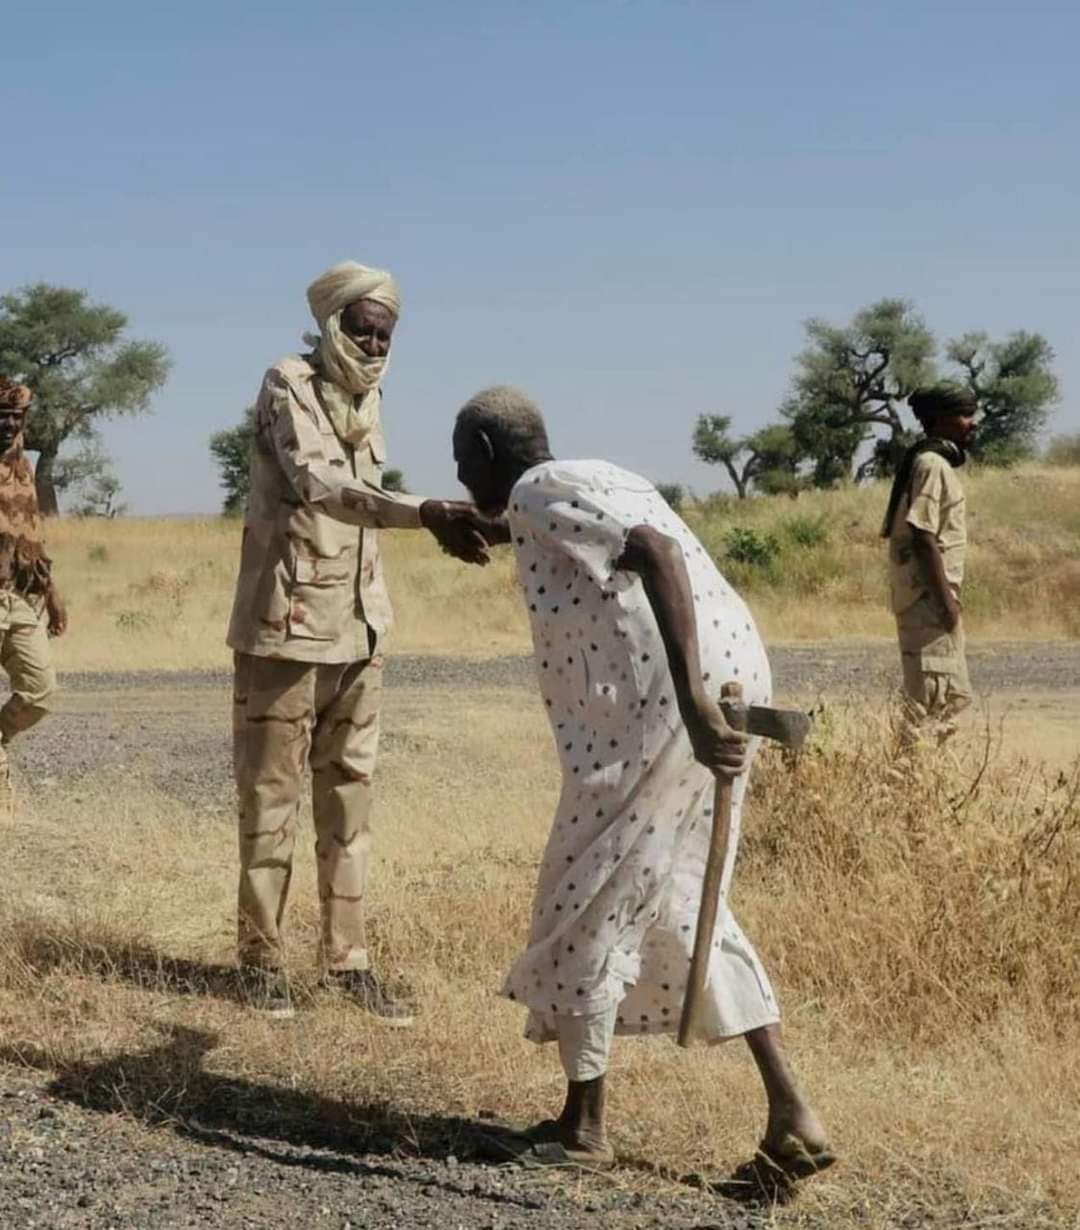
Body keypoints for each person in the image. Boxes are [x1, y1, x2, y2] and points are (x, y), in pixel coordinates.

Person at [452, 386, 833, 1183]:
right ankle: (791, 1112)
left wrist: (694, 702)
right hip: (720, 673)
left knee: (584, 890)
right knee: (681, 893)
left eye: (462, 463)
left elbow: (653, 552)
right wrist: (459, 523)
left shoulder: (536, 488)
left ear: (486, 453)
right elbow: (602, 540)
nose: (460, 478)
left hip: (663, 704)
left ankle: (581, 1129)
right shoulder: (591, 478)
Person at [226, 261, 489, 1022]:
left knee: (350, 803)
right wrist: (426, 513)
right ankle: (260, 961)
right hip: (286, 629)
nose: (373, 343)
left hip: (362, 630)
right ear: (330, 323)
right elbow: (317, 485)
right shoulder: (288, 383)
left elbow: (365, 500)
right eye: (361, 328)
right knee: (271, 799)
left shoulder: (367, 401)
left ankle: (347, 963)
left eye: (385, 333)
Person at [882, 382, 977, 742]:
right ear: (939, 420)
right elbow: (923, 537)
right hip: (929, 604)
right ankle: (912, 785)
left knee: (944, 699)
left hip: (928, 602)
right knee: (931, 704)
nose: (972, 423)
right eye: (965, 415)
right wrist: (947, 605)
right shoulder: (932, 464)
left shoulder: (929, 462)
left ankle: (921, 783)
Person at [0, 378, 67, 821]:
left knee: (40, 692)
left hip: (20, 597)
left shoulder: (23, 467)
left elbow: (32, 535)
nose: (7, 424)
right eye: (0, 417)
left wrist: (52, 590)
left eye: (15, 417)